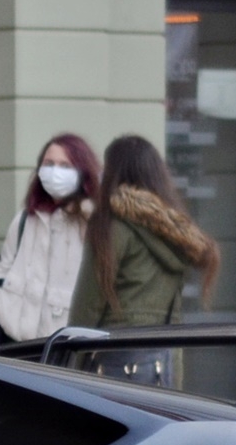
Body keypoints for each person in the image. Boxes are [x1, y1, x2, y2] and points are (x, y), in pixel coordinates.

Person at [68, 134, 219, 329]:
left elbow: (88, 305)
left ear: (114, 173)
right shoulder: (176, 233)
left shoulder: (111, 224)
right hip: (159, 352)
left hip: (112, 350)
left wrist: (69, 354)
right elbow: (174, 315)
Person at [0, 135, 97, 343]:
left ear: (82, 173)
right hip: (13, 342)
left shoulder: (93, 222)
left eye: (65, 166)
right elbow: (2, 269)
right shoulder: (26, 218)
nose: (55, 171)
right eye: (49, 164)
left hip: (64, 348)